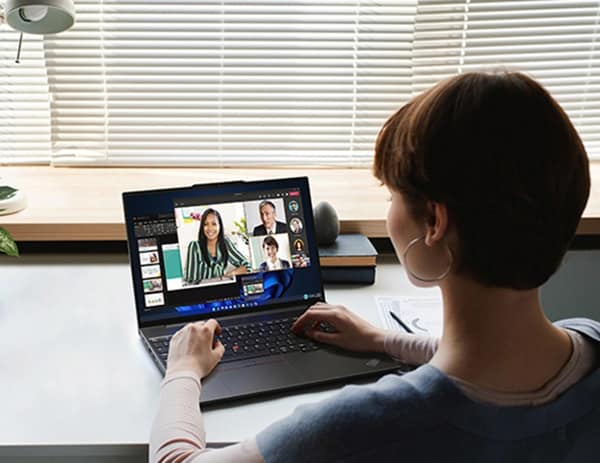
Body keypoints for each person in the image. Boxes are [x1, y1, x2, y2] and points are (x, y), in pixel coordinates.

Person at [150, 71, 600, 462]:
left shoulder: (359, 427)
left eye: (392, 196)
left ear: (435, 222)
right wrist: (383, 340)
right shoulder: (591, 342)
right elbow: (488, 367)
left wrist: (183, 371)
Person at [184, 208, 250, 284]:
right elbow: (190, 280)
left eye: (214, 224)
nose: (210, 228)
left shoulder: (225, 243)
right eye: (206, 224)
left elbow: (247, 266)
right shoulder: (194, 246)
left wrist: (229, 275)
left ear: (220, 226)